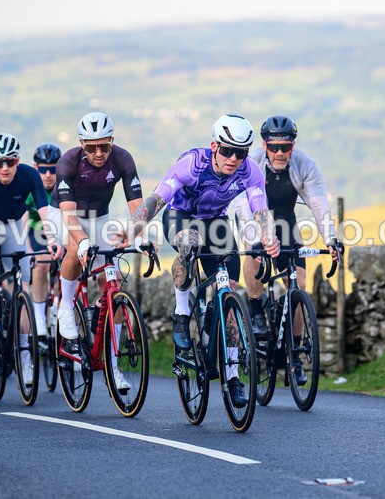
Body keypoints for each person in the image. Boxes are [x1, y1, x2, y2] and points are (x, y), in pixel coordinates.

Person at [118, 114, 280, 407]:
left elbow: (260, 210)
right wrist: (133, 228)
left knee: (229, 296)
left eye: (240, 153)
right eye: (227, 150)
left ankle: (233, 376)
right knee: (190, 244)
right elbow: (157, 200)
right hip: (181, 216)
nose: (233, 159)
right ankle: (182, 313)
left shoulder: (250, 171)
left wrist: (269, 238)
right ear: (214, 146)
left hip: (216, 222)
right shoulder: (193, 163)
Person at [232, 115, 344, 386]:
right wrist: (256, 241)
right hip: (253, 223)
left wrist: (331, 239)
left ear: (293, 145)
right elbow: (243, 208)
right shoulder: (251, 164)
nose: (280, 153)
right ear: (264, 145)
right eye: (274, 147)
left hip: (286, 227)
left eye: (286, 147)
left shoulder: (305, 165)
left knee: (299, 288)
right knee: (253, 256)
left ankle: (294, 356)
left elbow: (319, 206)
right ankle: (256, 311)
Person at [49, 112, 144, 393]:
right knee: (74, 246)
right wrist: (82, 242)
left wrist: (140, 236)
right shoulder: (68, 162)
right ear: (82, 144)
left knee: (112, 281)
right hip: (64, 214)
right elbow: (69, 217)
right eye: (92, 147)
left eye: (104, 146)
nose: (99, 153)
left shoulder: (123, 159)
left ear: (112, 141)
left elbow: (137, 206)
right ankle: (67, 307)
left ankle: (113, 365)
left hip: (99, 217)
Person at [0, 133, 62, 385]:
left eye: (10, 161)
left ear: (18, 160)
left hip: (13, 225)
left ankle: (25, 356)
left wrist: (52, 239)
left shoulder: (30, 176)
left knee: (24, 290)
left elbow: (44, 211)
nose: (4, 167)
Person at [25, 143, 62, 337]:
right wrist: (29, 251)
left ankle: (62, 309)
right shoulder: (30, 187)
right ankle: (39, 318)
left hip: (61, 232)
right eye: (43, 169)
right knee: (41, 264)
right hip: (35, 233)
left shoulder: (65, 187)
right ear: (35, 168)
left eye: (53, 170)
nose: (48, 175)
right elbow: (21, 223)